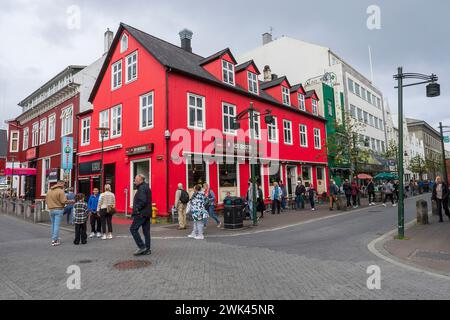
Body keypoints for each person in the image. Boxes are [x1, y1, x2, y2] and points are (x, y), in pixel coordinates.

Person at [130, 174, 152, 255]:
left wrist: (137, 208)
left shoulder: (142, 188)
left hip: (141, 213)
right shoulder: (146, 187)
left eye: (136, 179)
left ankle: (142, 247)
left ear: (140, 180)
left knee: (133, 229)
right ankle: (147, 249)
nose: (134, 181)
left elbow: (143, 201)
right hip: (146, 213)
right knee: (146, 232)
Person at [45, 180, 71, 246]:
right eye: (64, 185)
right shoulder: (61, 191)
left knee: (53, 224)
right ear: (61, 184)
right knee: (56, 225)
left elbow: (46, 200)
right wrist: (72, 201)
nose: (64, 186)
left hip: (51, 209)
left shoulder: (49, 191)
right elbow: (63, 201)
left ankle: (54, 237)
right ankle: (54, 240)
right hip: (58, 209)